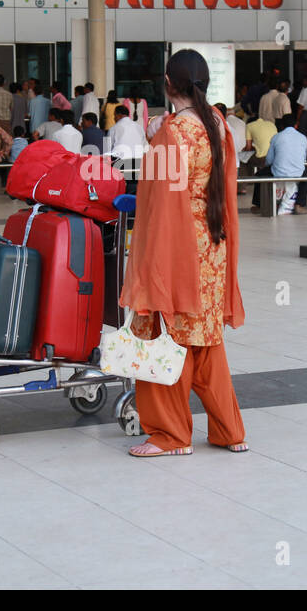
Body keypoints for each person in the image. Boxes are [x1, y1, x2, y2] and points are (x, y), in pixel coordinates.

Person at [121, 48, 246, 458]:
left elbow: (156, 196)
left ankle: (170, 435)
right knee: (205, 338)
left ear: (168, 84)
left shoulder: (172, 132)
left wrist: (156, 133)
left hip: (176, 244)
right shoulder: (219, 126)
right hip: (212, 245)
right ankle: (230, 431)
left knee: (165, 336)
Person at [265, 113, 307, 214]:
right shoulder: (303, 138)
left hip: (278, 172)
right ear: (296, 125)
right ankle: (299, 204)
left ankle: (258, 204)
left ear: (282, 126)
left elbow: (269, 160)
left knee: (260, 175)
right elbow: (304, 159)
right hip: (298, 172)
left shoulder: (276, 137)